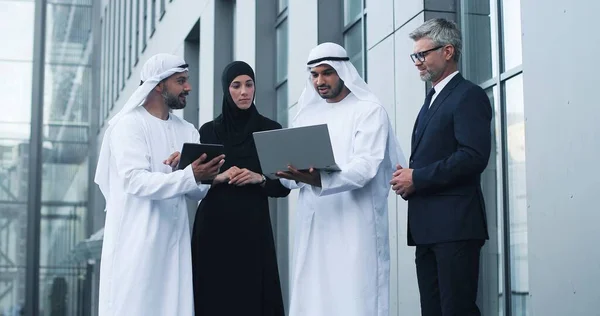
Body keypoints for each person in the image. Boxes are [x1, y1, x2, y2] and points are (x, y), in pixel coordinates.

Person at [277, 42, 405, 316]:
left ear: (343, 72)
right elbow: (291, 176)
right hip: (315, 225)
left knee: (355, 298)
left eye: (327, 73)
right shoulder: (306, 114)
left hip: (356, 226)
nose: (319, 81)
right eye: (314, 75)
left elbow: (366, 166)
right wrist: (289, 174)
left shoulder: (369, 110)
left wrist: (318, 179)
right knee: (314, 298)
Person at [94, 53, 225, 316]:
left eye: (186, 80)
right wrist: (189, 174)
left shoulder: (187, 130)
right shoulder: (128, 125)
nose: (188, 87)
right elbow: (135, 181)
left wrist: (204, 174)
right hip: (136, 244)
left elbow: (196, 192)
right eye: (180, 81)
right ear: (158, 84)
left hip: (174, 245)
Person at [390, 18, 492, 316]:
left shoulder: (467, 95)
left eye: (423, 54)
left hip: (455, 227)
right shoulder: (433, 98)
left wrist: (417, 178)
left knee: (456, 310)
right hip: (428, 229)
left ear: (448, 51)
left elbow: (473, 156)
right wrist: (406, 178)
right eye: (415, 56)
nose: (417, 62)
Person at [191, 61, 290, 316]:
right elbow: (194, 181)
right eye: (236, 86)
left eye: (249, 84)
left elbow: (285, 186)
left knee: (253, 298)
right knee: (214, 298)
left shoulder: (271, 130)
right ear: (227, 89)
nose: (244, 91)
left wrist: (260, 178)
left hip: (253, 229)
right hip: (213, 228)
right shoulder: (209, 131)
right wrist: (221, 177)